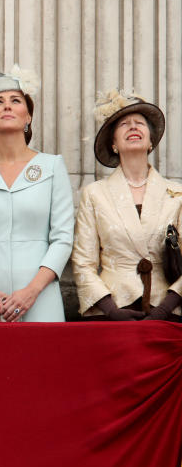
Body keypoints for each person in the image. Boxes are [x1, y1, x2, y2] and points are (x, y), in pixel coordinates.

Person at [0, 67, 74, 322]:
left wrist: (31, 292)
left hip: (40, 296)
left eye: (15, 100)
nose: (7, 106)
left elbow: (63, 237)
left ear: (28, 116)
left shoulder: (52, 166)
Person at [72, 90, 182, 321]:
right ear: (113, 143)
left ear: (151, 141)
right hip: (113, 308)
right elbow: (83, 263)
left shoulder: (178, 194)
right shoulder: (94, 194)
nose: (133, 127)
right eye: (124, 124)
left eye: (139, 123)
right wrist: (111, 310)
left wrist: (164, 309)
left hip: (167, 309)